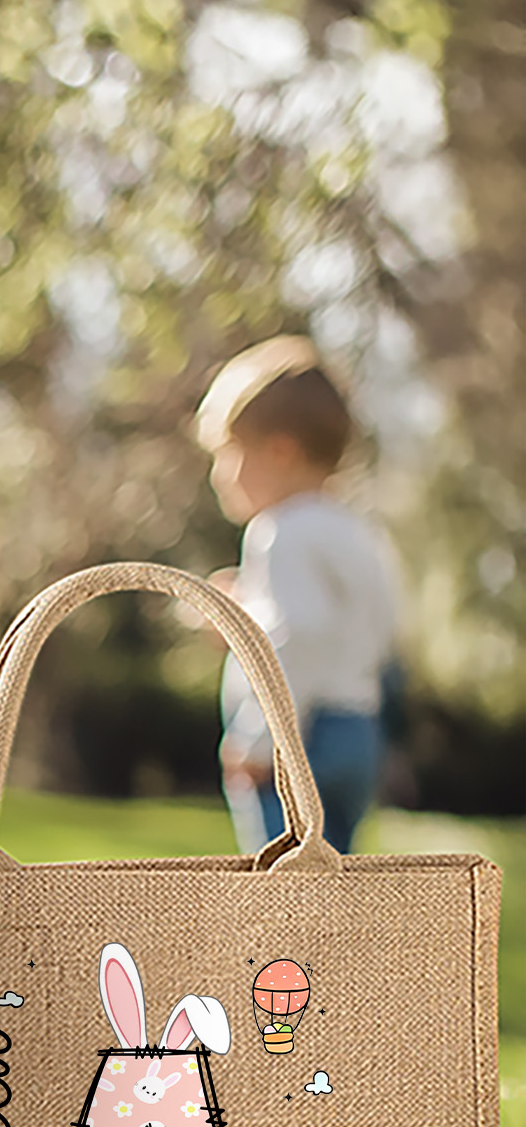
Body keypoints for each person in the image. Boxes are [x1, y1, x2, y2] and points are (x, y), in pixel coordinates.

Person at [195, 336, 404, 856]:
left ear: (279, 451)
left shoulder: (278, 531)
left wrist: (258, 739)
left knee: (281, 899)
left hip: (299, 745)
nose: (220, 475)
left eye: (228, 454)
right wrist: (247, 611)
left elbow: (296, 635)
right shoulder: (356, 532)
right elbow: (363, 625)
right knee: (328, 891)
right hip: (355, 731)